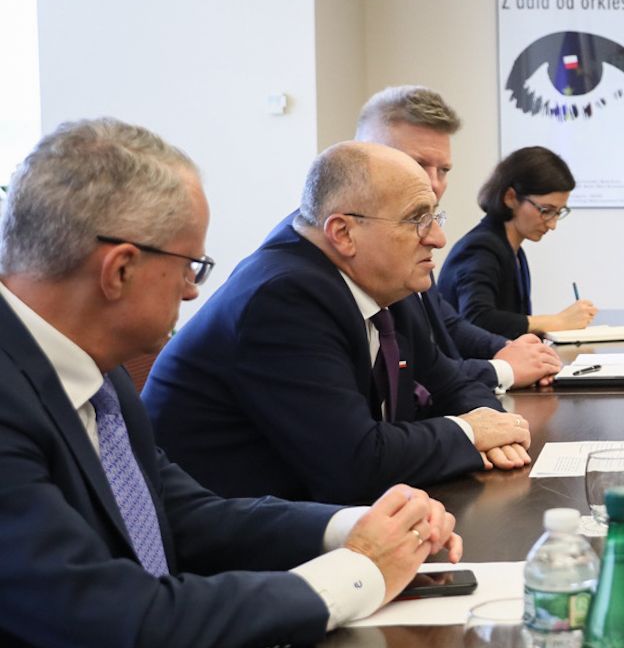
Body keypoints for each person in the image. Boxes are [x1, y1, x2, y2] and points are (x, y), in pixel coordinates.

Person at [0, 120, 462, 648]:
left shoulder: (95, 368)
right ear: (120, 269)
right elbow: (121, 621)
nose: (194, 289)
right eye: (189, 265)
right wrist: (360, 573)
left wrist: (354, 529)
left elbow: (182, 514)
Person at [143, 142, 532, 503]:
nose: (438, 238)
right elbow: (355, 463)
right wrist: (471, 432)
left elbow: (451, 383)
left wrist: (496, 428)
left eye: (434, 217)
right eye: (418, 219)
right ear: (343, 233)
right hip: (229, 532)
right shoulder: (283, 299)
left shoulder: (384, 278)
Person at [354, 86, 561, 391]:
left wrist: (508, 350)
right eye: (418, 164)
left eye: (444, 170)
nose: (434, 184)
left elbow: (445, 322)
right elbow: (422, 374)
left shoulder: (413, 241)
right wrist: (505, 367)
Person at [440, 146, 596, 340]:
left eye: (558, 212)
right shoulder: (481, 248)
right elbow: (477, 318)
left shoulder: (514, 251)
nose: (553, 224)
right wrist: (557, 321)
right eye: (546, 210)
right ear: (511, 198)